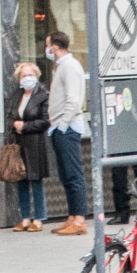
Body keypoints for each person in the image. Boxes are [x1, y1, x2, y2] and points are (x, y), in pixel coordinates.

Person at [44, 30, 89, 235]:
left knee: (73, 172)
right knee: (65, 173)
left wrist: (62, 125)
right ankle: (72, 216)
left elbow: (73, 99)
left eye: (47, 45)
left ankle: (79, 219)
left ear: (54, 46)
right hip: (60, 126)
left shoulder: (69, 66)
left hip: (67, 126)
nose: (47, 50)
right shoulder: (62, 67)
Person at [6, 56, 50, 230]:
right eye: (24, 75)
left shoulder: (43, 95)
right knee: (21, 181)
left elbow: (45, 121)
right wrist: (14, 127)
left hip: (35, 143)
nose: (27, 78)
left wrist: (25, 126)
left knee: (36, 181)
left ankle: (38, 219)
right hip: (19, 144)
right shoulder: (16, 95)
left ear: (37, 76)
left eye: (30, 74)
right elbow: (9, 116)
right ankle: (25, 218)